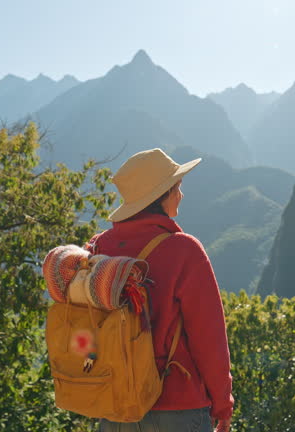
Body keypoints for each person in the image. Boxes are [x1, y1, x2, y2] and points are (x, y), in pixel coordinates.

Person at [88, 149, 233, 432]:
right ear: (163, 195)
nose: (181, 195)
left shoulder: (98, 248)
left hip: (117, 406)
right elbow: (209, 336)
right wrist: (222, 404)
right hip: (177, 410)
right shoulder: (183, 250)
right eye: (176, 188)